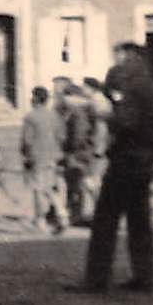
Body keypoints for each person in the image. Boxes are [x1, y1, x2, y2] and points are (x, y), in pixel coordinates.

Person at [72, 43, 153, 292]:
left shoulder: (127, 82)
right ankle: (144, 277)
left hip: (125, 160)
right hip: (145, 161)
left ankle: (96, 279)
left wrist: (105, 115)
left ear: (128, 57)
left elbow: (125, 119)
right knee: (139, 222)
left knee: (105, 220)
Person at [21, 86, 68, 234]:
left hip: (37, 157)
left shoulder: (30, 117)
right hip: (53, 156)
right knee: (50, 187)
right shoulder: (54, 116)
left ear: (35, 99)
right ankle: (62, 213)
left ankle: (40, 220)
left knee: (37, 189)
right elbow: (62, 137)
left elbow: (27, 140)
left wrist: (26, 156)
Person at [60, 84, 94, 225]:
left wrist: (69, 149)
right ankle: (75, 212)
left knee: (79, 184)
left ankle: (77, 213)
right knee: (75, 184)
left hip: (77, 154)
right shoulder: (78, 112)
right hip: (80, 153)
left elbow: (78, 137)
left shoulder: (77, 114)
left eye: (66, 96)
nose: (64, 99)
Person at [82, 76, 112, 202]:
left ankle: (101, 206)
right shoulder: (100, 100)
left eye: (84, 87)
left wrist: (98, 147)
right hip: (100, 145)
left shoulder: (96, 101)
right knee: (94, 180)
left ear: (91, 88)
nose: (83, 90)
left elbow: (101, 126)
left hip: (97, 146)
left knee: (91, 180)